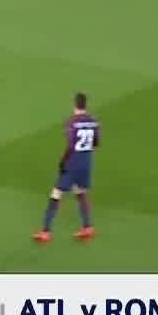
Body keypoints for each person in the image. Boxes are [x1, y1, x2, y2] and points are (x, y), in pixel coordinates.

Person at [33, 93, 99, 242]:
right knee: (80, 191)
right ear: (85, 104)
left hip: (73, 163)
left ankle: (45, 231)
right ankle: (87, 227)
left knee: (56, 193)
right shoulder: (93, 122)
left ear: (74, 104)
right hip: (86, 162)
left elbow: (70, 146)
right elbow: (95, 143)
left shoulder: (72, 122)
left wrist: (63, 162)